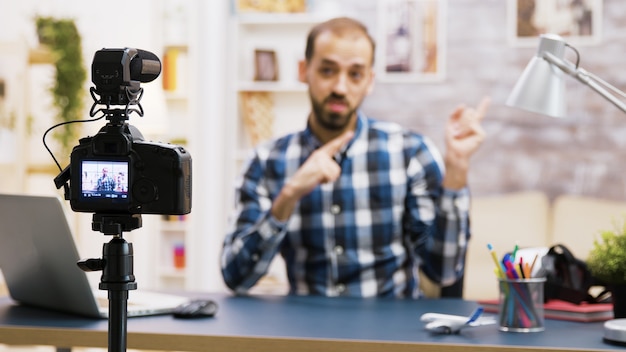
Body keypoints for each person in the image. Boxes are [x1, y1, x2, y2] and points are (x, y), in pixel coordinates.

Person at [221, 17, 490, 298]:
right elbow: (235, 277)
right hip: (305, 335)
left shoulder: (409, 152)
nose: (340, 87)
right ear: (304, 71)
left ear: (369, 81)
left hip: (391, 337)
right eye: (327, 70)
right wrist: (289, 196)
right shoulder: (267, 161)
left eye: (355, 74)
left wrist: (457, 168)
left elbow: (444, 271)